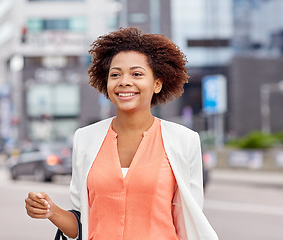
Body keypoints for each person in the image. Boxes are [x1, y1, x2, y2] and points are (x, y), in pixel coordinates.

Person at [25, 27, 218, 240]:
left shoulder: (184, 140)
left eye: (136, 74)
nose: (124, 81)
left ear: (157, 84)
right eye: (115, 74)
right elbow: (82, 225)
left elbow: (189, 222)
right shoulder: (85, 138)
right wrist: (50, 210)